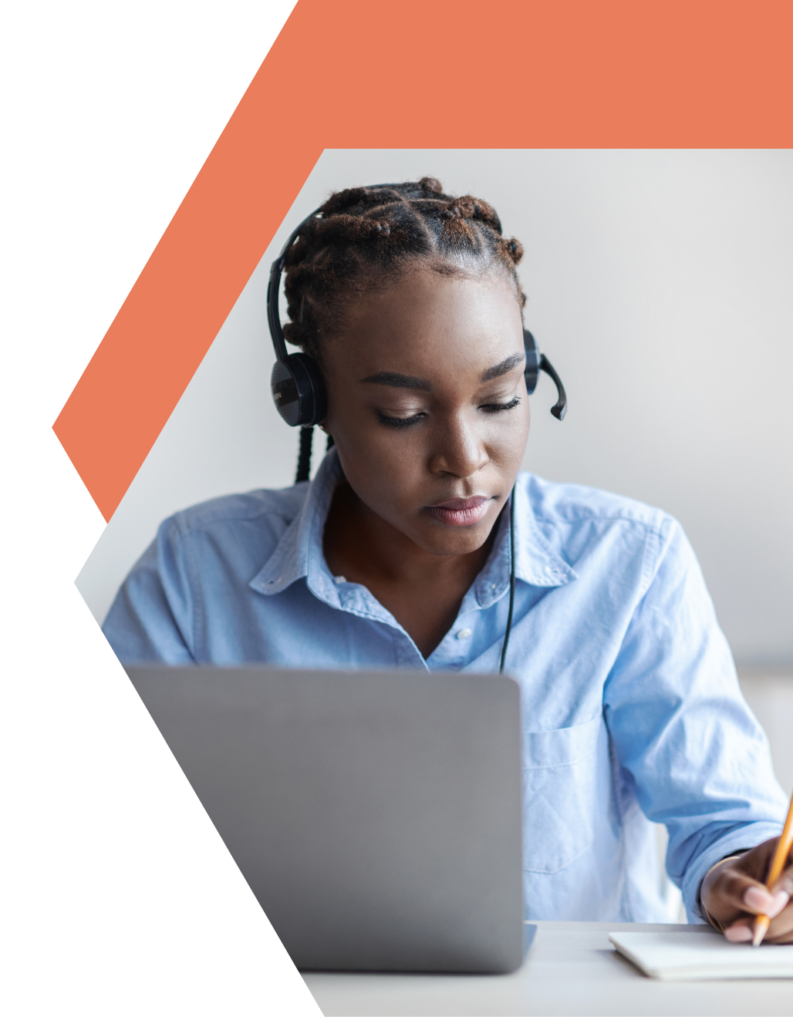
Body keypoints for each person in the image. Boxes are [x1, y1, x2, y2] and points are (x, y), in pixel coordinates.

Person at [102, 178, 790, 942]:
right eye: (403, 415)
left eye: (498, 401)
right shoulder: (193, 573)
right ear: (310, 403)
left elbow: (726, 823)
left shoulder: (630, 563)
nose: (463, 458)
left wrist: (740, 878)